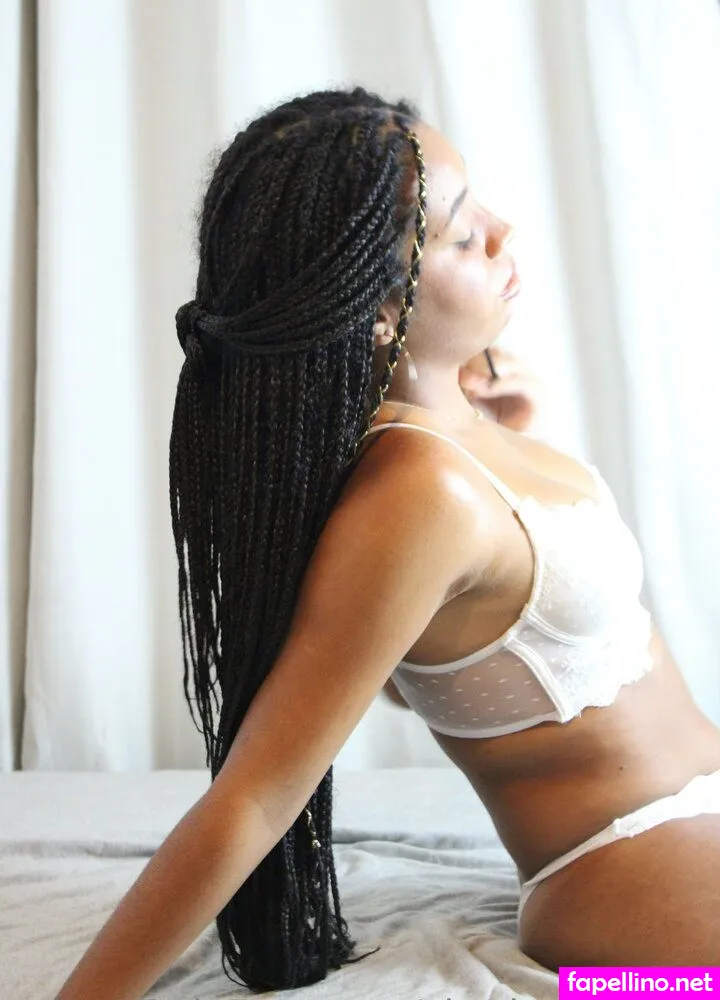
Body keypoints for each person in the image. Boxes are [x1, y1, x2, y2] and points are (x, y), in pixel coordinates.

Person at [54, 88, 720, 1000]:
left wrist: (517, 431)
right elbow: (255, 795)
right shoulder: (418, 491)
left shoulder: (462, 435)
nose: (501, 231)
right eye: (460, 234)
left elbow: (436, 662)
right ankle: (625, 991)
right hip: (629, 862)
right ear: (375, 310)